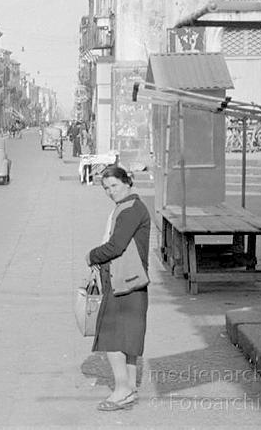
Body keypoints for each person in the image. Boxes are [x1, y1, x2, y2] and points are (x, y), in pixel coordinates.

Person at [85, 166, 151, 412]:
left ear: (128, 182)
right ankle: (129, 389)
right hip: (132, 280)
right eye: (106, 188)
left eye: (114, 185)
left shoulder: (130, 209)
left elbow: (116, 246)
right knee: (129, 338)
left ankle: (122, 388)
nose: (111, 191)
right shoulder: (131, 206)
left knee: (112, 337)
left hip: (123, 282)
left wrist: (91, 256)